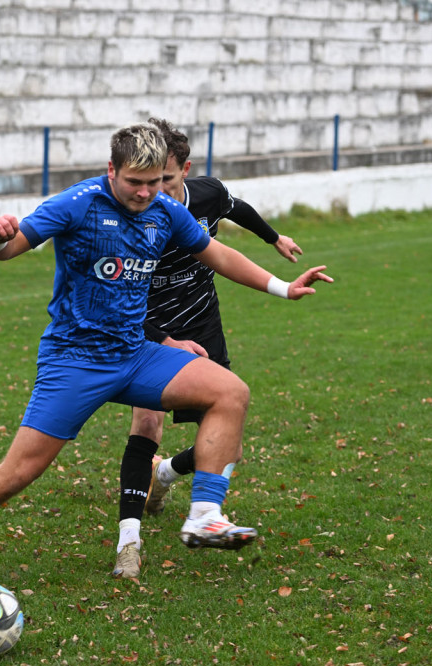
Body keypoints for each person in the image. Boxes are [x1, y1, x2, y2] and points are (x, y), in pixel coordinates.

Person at [0, 122, 332, 593]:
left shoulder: (164, 211)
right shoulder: (77, 204)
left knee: (230, 392)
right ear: (111, 170)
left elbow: (218, 255)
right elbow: (10, 249)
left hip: (136, 354)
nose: (144, 193)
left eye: (154, 182)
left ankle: (204, 516)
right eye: (134, 182)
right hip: (74, 361)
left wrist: (284, 287)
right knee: (17, 473)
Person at [111, 118, 303, 579]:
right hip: (149, 321)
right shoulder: (132, 216)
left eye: (166, 180)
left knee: (225, 440)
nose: (155, 190)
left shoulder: (207, 195)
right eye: (148, 180)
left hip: (202, 320)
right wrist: (164, 339)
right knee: (147, 423)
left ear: (183, 171)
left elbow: (237, 210)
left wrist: (273, 238)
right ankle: (128, 544)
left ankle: (165, 477)